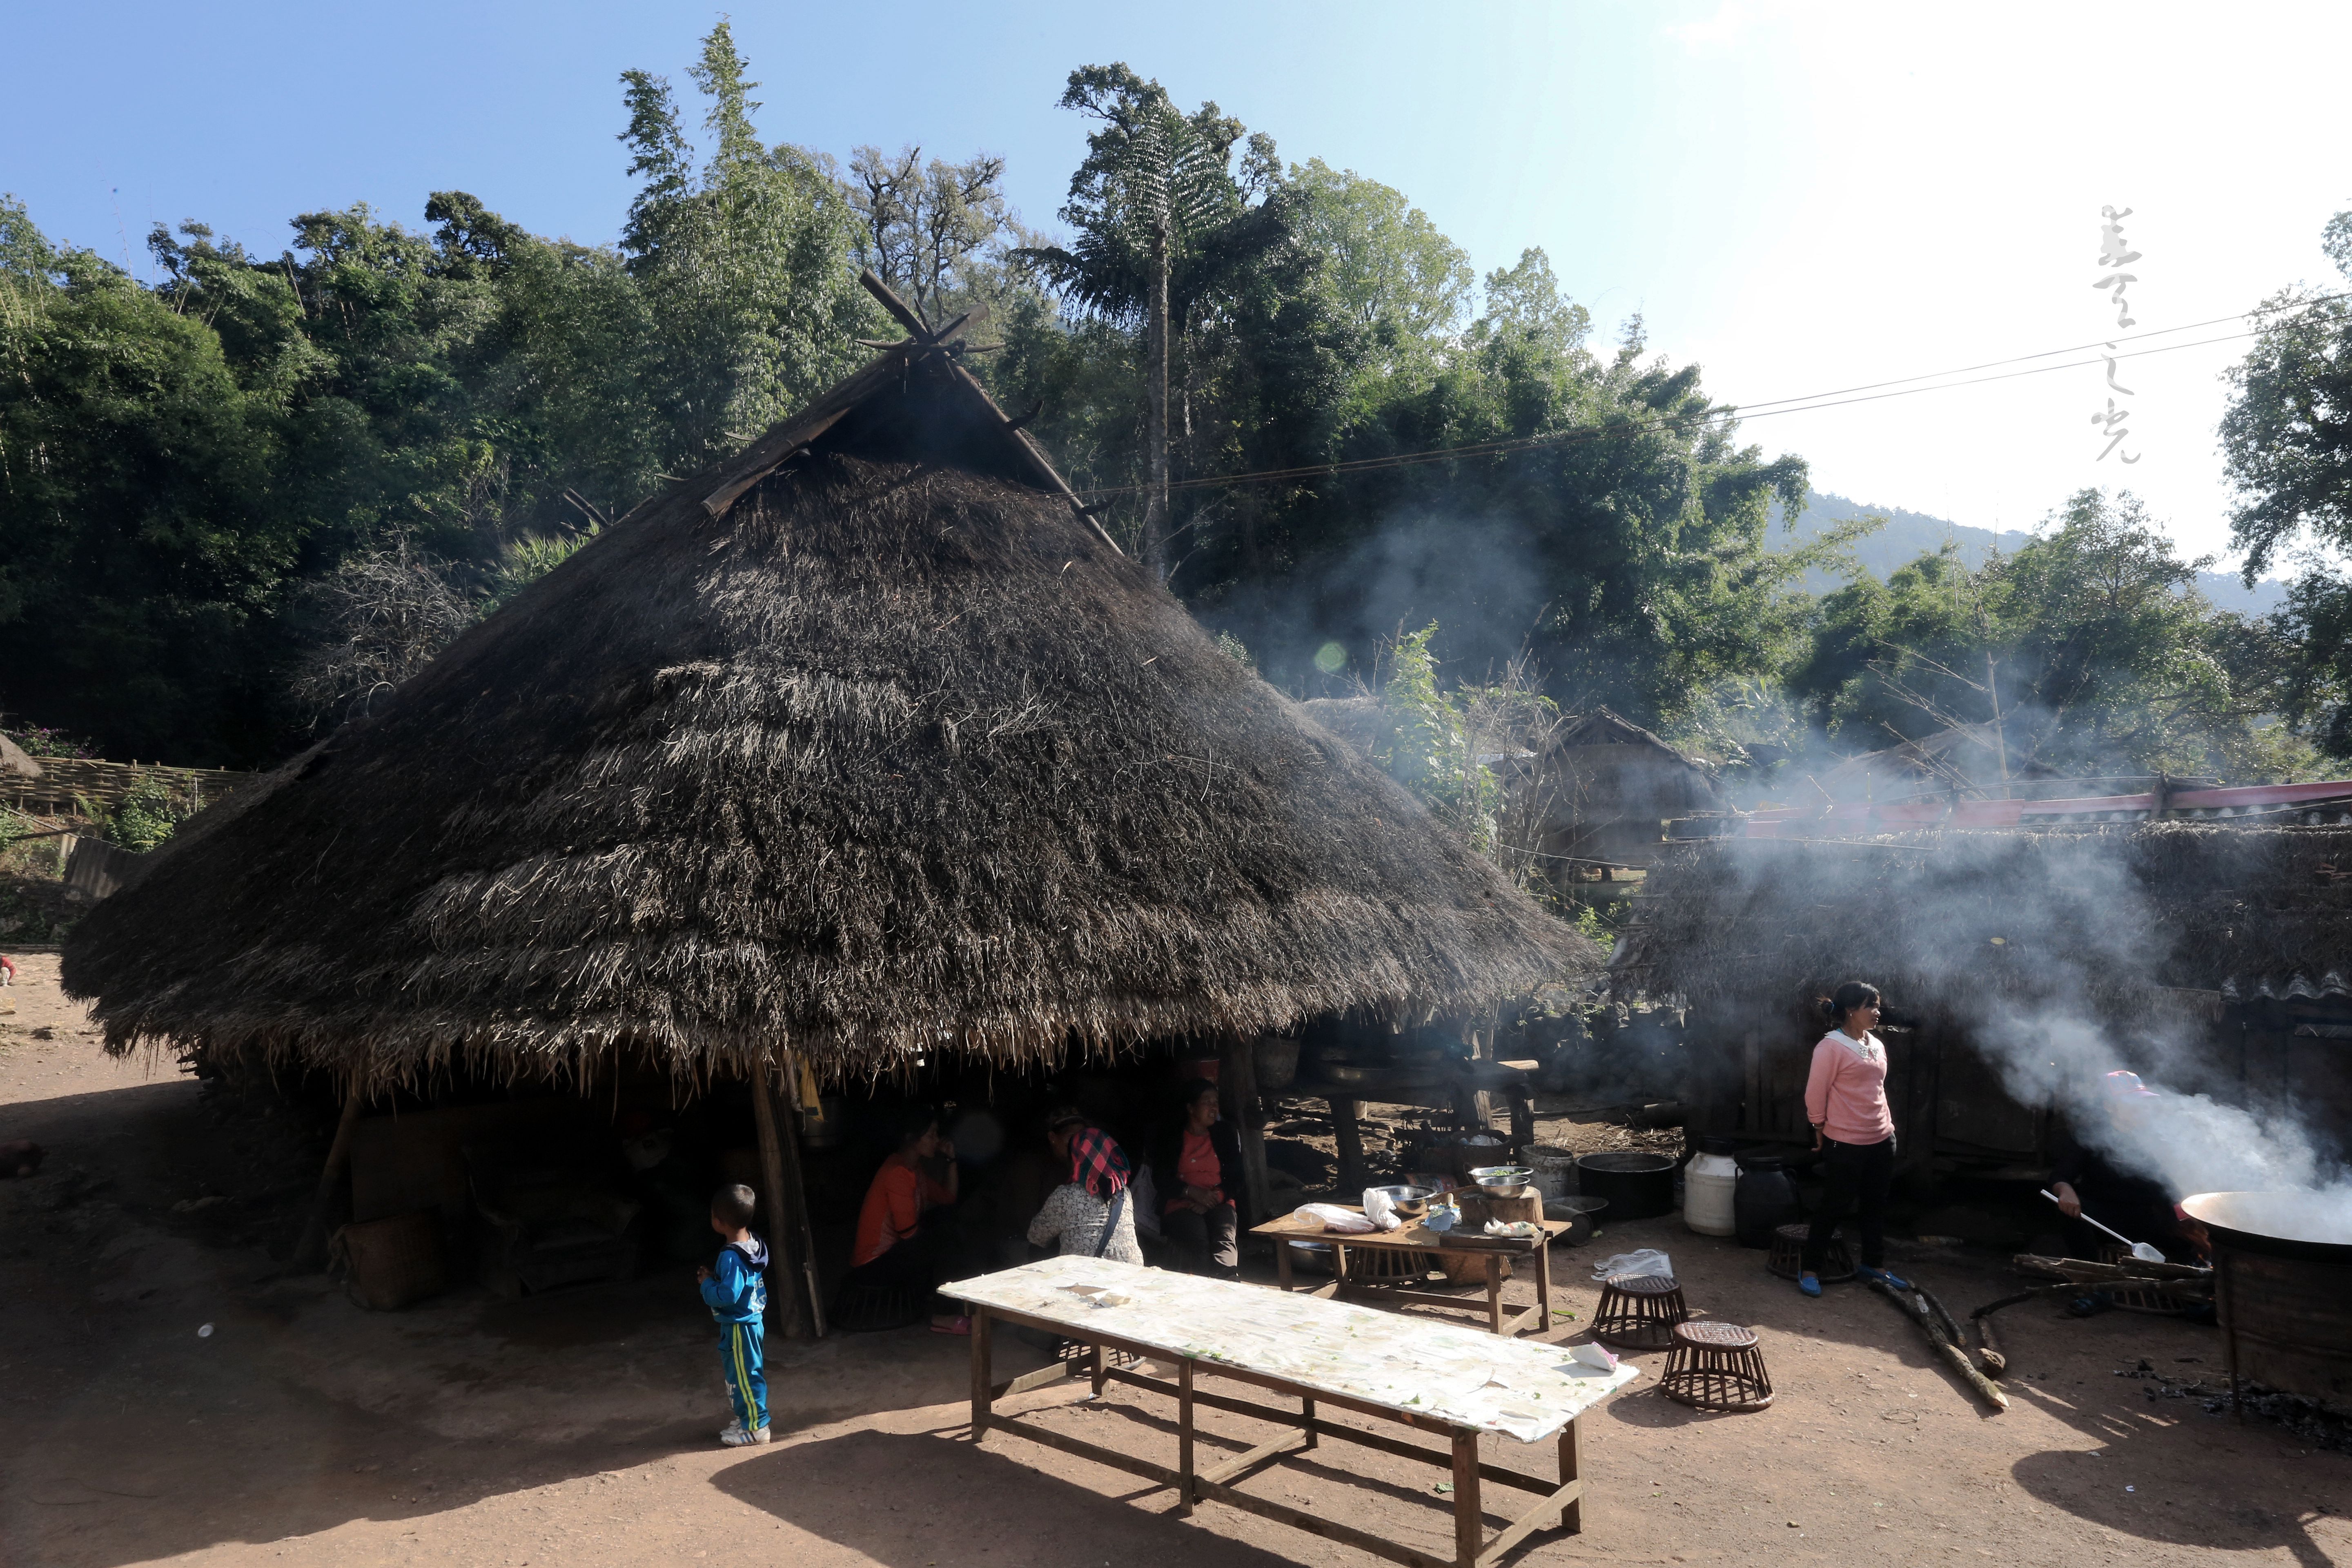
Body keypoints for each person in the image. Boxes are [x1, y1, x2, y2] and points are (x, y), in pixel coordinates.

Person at [2049, 1069, 2201, 1308]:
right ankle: (2094, 1288)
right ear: (2111, 1107)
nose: (2142, 1109)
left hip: (2146, 1219)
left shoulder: (2155, 1138)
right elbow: (2061, 1176)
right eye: (2133, 1103)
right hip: (2105, 1220)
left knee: (2181, 1227)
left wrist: (2186, 1217)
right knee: (2072, 1216)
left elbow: (2168, 1188)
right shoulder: (2090, 1137)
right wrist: (2066, 1192)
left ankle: (2195, 1292)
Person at [1797, 982, 1911, 1298]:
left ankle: (1873, 1265)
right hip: (1845, 1142)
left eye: (1877, 1005)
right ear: (1851, 1011)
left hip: (1882, 1137)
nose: (1878, 1012)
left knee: (1875, 1205)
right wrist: (1818, 1126)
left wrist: (1887, 1128)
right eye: (1871, 1006)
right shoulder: (1830, 1047)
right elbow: (1815, 1092)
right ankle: (1810, 1268)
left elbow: (1877, 1089)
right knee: (1834, 1205)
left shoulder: (1875, 1043)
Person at [845, 1106, 966, 1333]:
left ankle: (937, 1301)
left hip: (896, 1251)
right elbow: (908, 1233)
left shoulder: (914, 1170)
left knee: (947, 1219)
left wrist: (951, 1160)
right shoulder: (897, 1172)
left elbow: (948, 1198)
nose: (936, 1140)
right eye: (931, 1135)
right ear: (911, 1139)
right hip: (873, 1264)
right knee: (946, 1240)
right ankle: (942, 1314)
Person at [696, 1183, 771, 1447]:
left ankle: (756, 1428)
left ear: (719, 1221)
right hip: (750, 1323)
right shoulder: (753, 1246)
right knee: (744, 1374)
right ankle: (748, 1419)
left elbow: (728, 1295)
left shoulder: (731, 1257)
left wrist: (707, 1284)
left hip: (741, 1327)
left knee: (745, 1377)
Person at [1152, 1079, 1243, 1281]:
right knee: (1196, 1234)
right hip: (1181, 1203)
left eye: (1216, 1102)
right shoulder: (1171, 1137)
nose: (1214, 1107)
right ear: (1191, 1108)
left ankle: (1230, 1284)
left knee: (1224, 1235)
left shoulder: (1225, 1134)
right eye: (1207, 1102)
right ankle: (1204, 1287)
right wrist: (1192, 1193)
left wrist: (1214, 1198)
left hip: (1218, 1199)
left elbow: (1237, 1177)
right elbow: (1161, 1179)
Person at [1031, 1107, 1145, 1263]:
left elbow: (1036, 1237)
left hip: (1087, 1277)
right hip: (1130, 1274)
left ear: (1075, 1156)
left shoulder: (1065, 1195)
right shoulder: (1123, 1192)